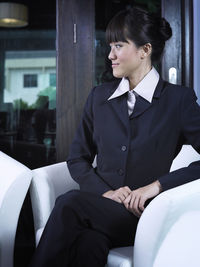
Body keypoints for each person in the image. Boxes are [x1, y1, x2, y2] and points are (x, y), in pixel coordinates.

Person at [29, 6, 200, 267]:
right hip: (98, 209)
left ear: (145, 50)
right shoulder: (99, 97)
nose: (110, 55)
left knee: (68, 203)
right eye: (110, 47)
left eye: (119, 46)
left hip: (143, 216)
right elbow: (78, 159)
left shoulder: (178, 100)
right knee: (90, 245)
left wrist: (157, 186)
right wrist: (106, 193)